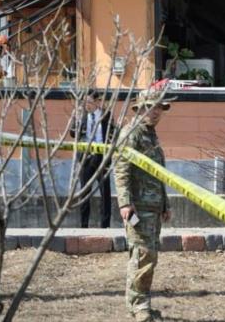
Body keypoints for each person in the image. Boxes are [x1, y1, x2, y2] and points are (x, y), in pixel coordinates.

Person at [116, 89, 172, 322]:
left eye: (160, 107)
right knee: (142, 255)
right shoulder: (132, 133)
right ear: (139, 108)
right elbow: (121, 168)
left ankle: (138, 304)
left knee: (148, 256)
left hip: (153, 206)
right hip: (138, 206)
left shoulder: (150, 134)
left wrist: (165, 203)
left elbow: (158, 174)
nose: (156, 112)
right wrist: (126, 202)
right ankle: (140, 307)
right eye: (152, 106)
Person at [72, 90, 116, 228]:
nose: (87, 105)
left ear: (97, 102)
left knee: (105, 192)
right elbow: (73, 134)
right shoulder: (81, 115)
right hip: (86, 157)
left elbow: (113, 134)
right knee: (84, 192)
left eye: (89, 102)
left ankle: (105, 225)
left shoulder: (106, 115)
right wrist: (77, 121)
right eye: (84, 102)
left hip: (102, 158)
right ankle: (84, 225)